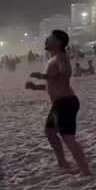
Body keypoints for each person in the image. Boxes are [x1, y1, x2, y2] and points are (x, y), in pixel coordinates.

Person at [26, 30, 91, 176]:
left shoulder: (61, 57)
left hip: (66, 103)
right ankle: (62, 161)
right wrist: (37, 86)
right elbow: (55, 83)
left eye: (49, 38)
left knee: (68, 137)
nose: (46, 40)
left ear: (58, 41)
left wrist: (43, 76)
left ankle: (85, 171)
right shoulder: (53, 58)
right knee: (50, 132)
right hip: (60, 103)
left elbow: (66, 72)